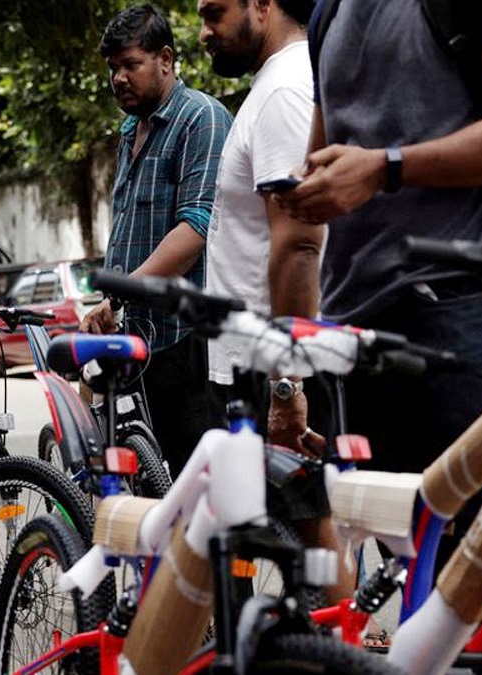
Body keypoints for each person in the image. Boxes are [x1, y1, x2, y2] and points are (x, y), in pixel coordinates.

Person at [276, 0, 482, 474]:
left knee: (474, 543)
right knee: (394, 543)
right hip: (351, 332)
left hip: (459, 314)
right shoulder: (327, 12)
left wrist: (386, 168)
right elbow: (323, 157)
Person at [80, 4, 232, 476]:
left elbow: (195, 229)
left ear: (165, 59)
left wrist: (123, 294)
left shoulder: (200, 119)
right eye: (112, 69)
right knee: (148, 490)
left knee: (200, 490)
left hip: (186, 345)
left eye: (131, 65)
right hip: (138, 344)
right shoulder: (131, 130)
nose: (118, 78)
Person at [196, 0, 321, 446]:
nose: (204, 33)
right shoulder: (273, 86)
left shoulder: (283, 90)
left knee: (296, 513)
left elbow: (300, 242)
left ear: (262, 5)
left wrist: (287, 385)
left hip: (267, 373)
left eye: (214, 14)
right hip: (250, 367)